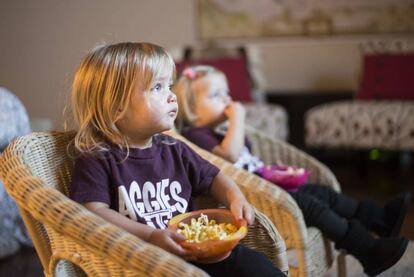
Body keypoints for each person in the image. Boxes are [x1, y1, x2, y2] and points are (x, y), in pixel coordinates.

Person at [68, 42, 285, 277]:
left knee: (251, 263)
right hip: (142, 263)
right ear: (116, 105)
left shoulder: (175, 149)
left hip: (198, 252)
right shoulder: (97, 158)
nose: (172, 96)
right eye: (157, 87)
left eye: (169, 86)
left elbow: (214, 177)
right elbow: (93, 212)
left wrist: (235, 197)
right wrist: (150, 235)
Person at [174, 65, 411, 277]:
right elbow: (230, 156)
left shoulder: (219, 130)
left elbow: (248, 160)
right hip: (258, 199)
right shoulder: (195, 136)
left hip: (268, 184)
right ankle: (367, 250)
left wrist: (274, 169)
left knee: (323, 193)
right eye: (216, 95)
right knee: (311, 206)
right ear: (193, 111)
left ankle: (378, 219)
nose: (227, 100)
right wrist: (238, 120)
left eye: (226, 92)